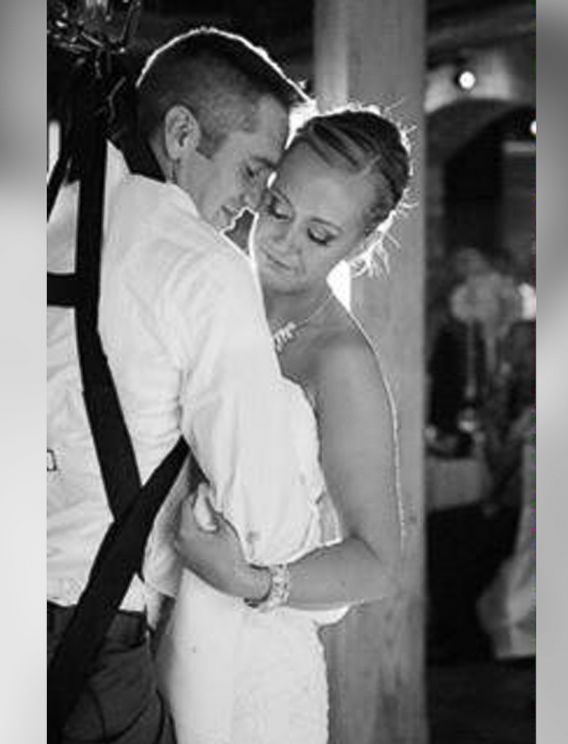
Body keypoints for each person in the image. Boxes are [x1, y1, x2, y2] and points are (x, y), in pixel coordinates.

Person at [47, 28, 315, 743]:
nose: (257, 202)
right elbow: (263, 514)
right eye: (253, 169)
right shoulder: (200, 265)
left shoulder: (42, 212)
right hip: (88, 636)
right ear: (181, 132)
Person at [149, 108, 410, 744]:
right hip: (150, 622)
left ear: (361, 245)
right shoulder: (207, 287)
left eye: (320, 235)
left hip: (255, 661)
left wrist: (252, 582)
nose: (282, 241)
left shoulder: (338, 361)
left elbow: (377, 560)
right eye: (277, 207)